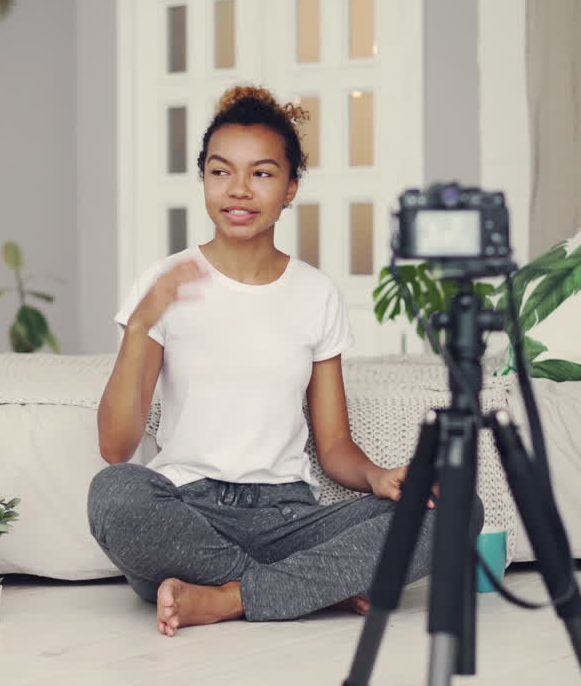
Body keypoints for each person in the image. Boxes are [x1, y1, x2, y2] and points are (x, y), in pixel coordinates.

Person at [88, 85, 482, 637]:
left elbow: (335, 446)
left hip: (289, 518)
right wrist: (138, 324)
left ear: (292, 187)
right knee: (115, 494)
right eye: (221, 172)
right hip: (191, 515)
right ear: (203, 177)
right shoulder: (164, 282)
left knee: (457, 510)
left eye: (263, 173)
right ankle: (309, 589)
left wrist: (378, 476)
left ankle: (227, 598)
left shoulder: (316, 293)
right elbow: (115, 448)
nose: (239, 190)